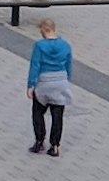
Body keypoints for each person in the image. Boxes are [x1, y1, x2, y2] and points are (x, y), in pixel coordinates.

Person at [25, 16, 75, 155]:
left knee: (38, 112)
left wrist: (31, 85)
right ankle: (55, 146)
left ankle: (39, 141)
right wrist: (67, 80)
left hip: (44, 83)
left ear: (43, 29)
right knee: (57, 115)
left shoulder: (40, 45)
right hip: (60, 82)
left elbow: (35, 65)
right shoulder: (65, 45)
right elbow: (68, 65)